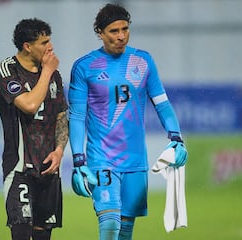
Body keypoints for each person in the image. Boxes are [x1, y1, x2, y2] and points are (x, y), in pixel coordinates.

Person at [68, 3, 188, 240]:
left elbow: (162, 103)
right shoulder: (85, 67)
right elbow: (77, 116)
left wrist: (176, 137)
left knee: (125, 231)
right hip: (102, 158)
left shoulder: (143, 61)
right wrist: (79, 161)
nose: (121, 36)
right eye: (114, 31)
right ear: (100, 33)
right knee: (110, 224)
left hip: (135, 160)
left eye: (125, 29)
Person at [0, 18, 68, 240]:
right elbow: (29, 105)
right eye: (44, 43)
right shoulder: (6, 70)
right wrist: (47, 72)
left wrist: (60, 150)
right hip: (19, 169)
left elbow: (62, 116)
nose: (50, 47)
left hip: (49, 169)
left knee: (43, 236)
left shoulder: (53, 74)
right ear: (27, 46)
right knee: (21, 233)